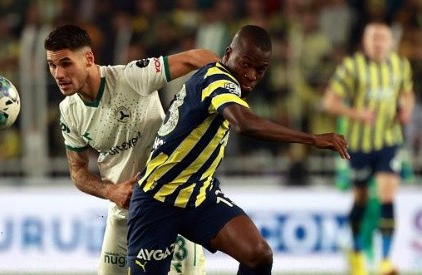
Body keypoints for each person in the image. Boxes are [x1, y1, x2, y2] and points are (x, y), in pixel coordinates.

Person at [127, 24, 350, 275]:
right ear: (227, 53)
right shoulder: (218, 79)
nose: (252, 75)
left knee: (258, 255)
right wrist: (312, 139)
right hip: (158, 199)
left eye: (261, 69)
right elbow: (244, 123)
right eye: (245, 64)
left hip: (199, 196)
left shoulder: (220, 80)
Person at [44, 24, 220, 275]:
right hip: (123, 211)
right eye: (52, 65)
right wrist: (111, 191)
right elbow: (78, 172)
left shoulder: (131, 78)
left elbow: (197, 57)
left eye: (66, 63)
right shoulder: (68, 111)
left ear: (89, 59)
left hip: (169, 205)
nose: (58, 73)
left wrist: (229, 90)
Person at [322, 22, 414, 275]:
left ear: (390, 42)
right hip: (360, 144)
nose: (379, 43)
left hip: (388, 141)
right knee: (361, 198)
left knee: (387, 195)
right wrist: (357, 114)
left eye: (383, 38)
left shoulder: (400, 65)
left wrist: (406, 110)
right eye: (374, 38)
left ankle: (385, 260)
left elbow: (408, 93)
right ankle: (358, 253)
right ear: (365, 41)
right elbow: (329, 102)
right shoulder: (352, 68)